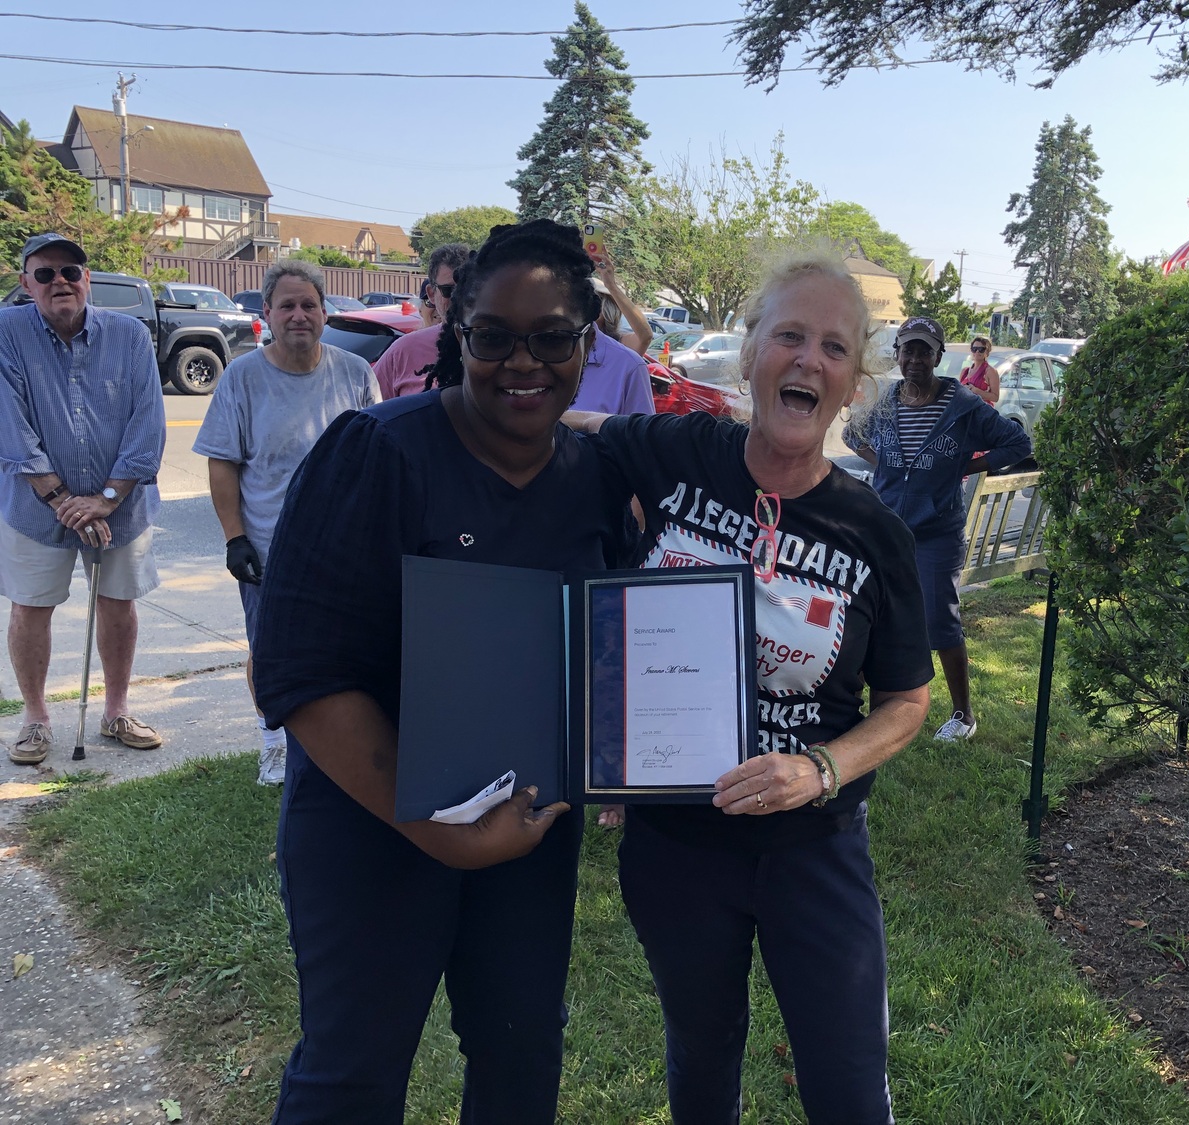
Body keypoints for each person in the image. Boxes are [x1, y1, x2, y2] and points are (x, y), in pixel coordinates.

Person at [252, 219, 634, 1124]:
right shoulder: (377, 453)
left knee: (521, 1049)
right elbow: (300, 674)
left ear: (588, 345)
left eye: (551, 337)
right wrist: (437, 829)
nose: (521, 361)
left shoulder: (590, 480)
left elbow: (607, 645)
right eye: (493, 336)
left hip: (529, 830)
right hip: (368, 826)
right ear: (457, 334)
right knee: (352, 1072)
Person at [567, 251, 933, 1123]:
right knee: (701, 1055)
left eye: (835, 348)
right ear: (750, 356)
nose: (809, 359)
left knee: (846, 1085)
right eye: (790, 336)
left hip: (815, 846)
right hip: (677, 845)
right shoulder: (680, 452)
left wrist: (820, 769)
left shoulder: (871, 531)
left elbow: (908, 700)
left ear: (853, 385)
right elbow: (583, 442)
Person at [193, 259, 381, 786]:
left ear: (324, 312)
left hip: (344, 550)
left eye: (309, 305)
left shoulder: (355, 373)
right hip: (270, 548)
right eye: (287, 306)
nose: (299, 315)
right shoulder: (243, 377)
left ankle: (335, 743)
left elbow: (374, 459)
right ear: (268, 315)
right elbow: (223, 463)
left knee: (344, 650)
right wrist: (235, 538)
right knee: (269, 649)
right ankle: (273, 742)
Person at [0, 232, 166, 764]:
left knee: (119, 605)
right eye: (44, 274)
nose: (60, 282)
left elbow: (148, 422)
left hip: (121, 504)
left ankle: (116, 710)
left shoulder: (130, 335)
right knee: (31, 608)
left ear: (87, 278)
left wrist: (110, 498)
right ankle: (35, 719)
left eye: (70, 271)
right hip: (34, 506)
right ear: (27, 284)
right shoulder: (5, 333)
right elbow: (11, 425)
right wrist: (61, 498)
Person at [844, 315, 1033, 741]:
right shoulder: (885, 403)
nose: (915, 358)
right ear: (897, 353)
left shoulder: (963, 407)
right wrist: (887, 464)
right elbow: (852, 434)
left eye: (924, 350)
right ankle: (869, 705)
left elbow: (1018, 443)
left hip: (937, 532)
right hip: (887, 527)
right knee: (872, 614)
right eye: (907, 349)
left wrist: (965, 467)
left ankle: (963, 715)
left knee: (939, 621)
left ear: (939, 356)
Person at [371, 241, 469, 398]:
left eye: (467, 288)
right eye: (449, 290)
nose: (458, 298)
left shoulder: (499, 346)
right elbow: (368, 410)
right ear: (431, 294)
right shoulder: (403, 351)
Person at [590, 244, 653, 356]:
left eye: (595, 298)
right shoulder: (568, 341)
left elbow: (645, 337)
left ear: (606, 307)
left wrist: (611, 286)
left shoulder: (618, 343)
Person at [959, 334, 1000, 404]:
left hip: (982, 412)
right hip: (965, 411)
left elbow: (995, 397)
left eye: (981, 349)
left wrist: (975, 390)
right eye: (974, 349)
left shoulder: (990, 371)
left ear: (987, 352)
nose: (977, 351)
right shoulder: (965, 371)